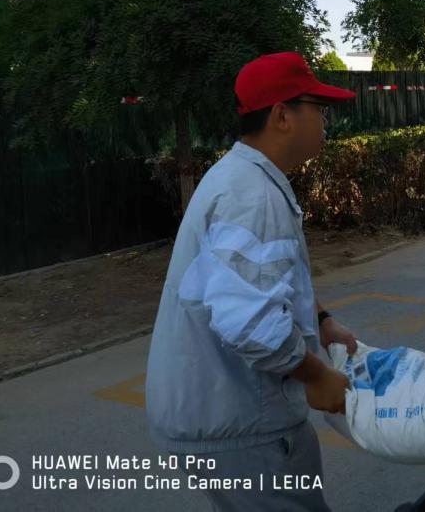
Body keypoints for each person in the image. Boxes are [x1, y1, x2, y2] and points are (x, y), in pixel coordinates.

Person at [146, 52, 359, 512]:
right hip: (243, 426)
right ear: (282, 116)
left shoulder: (242, 177)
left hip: (225, 416)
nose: (325, 120)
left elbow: (257, 279)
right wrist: (318, 376)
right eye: (318, 108)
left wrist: (322, 321)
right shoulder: (252, 194)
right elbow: (251, 324)